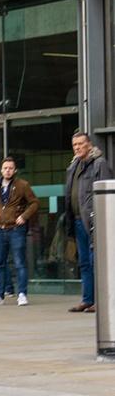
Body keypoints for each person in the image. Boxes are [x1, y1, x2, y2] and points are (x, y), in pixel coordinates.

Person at [65, 131, 114, 313]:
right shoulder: (73, 166)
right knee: (84, 262)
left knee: (97, 263)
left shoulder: (99, 164)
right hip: (77, 221)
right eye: (74, 145)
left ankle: (101, 301)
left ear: (89, 144)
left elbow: (106, 193)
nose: (77, 147)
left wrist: (101, 217)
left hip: (94, 221)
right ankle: (87, 299)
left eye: (80, 144)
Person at [0, 157, 39, 307]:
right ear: (1, 170)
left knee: (19, 262)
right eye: (5, 168)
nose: (8, 170)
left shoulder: (22, 185)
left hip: (16, 229)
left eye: (10, 168)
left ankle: (22, 294)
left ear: (15, 170)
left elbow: (34, 203)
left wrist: (24, 216)